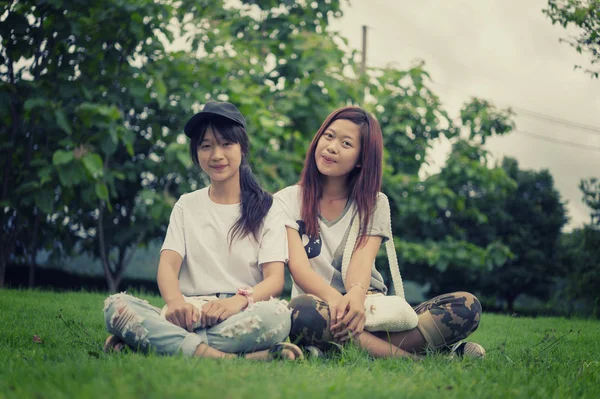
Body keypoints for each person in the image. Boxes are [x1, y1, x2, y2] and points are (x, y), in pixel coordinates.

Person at [274, 106, 484, 359]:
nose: (331, 147)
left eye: (346, 143)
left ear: (361, 158)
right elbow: (299, 268)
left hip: (370, 309)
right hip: (320, 309)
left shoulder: (374, 202)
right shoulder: (286, 201)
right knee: (300, 311)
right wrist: (338, 304)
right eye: (328, 136)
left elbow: (360, 264)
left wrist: (354, 298)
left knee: (466, 306)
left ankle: (346, 348)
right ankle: (418, 358)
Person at [103, 102, 302, 361]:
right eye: (206, 146)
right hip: (189, 313)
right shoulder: (187, 204)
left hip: (240, 312)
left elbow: (275, 280)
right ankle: (231, 358)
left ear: (242, 147)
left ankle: (158, 342)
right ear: (196, 153)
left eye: (226, 144)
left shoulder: (268, 207)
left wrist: (236, 303)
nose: (216, 155)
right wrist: (175, 303)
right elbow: (168, 266)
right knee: (116, 308)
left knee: (278, 316)